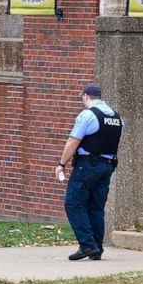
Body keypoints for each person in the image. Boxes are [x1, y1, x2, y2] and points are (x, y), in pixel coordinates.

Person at [55, 83, 123, 261]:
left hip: (87, 166)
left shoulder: (87, 115)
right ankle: (97, 248)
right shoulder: (117, 118)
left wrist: (62, 163)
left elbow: (73, 142)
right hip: (107, 166)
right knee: (96, 206)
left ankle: (87, 245)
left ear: (86, 97)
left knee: (73, 202)